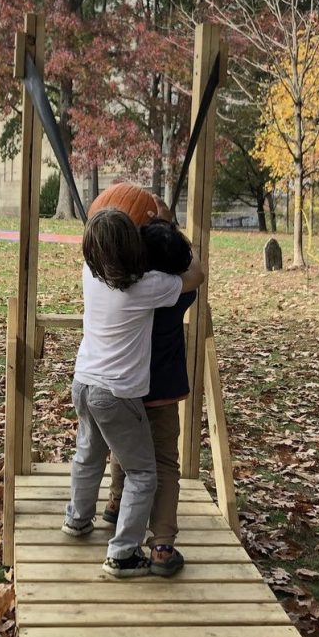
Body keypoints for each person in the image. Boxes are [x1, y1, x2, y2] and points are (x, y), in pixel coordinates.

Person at [62, 208, 205, 578]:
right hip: (118, 392)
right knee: (145, 471)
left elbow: (108, 251)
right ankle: (124, 553)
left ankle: (78, 519)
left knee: (88, 454)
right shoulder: (150, 287)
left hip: (83, 382)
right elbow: (195, 274)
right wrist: (171, 228)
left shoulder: (90, 274)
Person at [103, 219, 196, 577]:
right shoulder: (179, 291)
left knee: (124, 451)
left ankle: (114, 503)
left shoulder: (127, 287)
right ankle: (161, 546)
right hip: (164, 393)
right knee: (165, 464)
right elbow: (196, 268)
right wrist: (173, 228)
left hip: (128, 388)